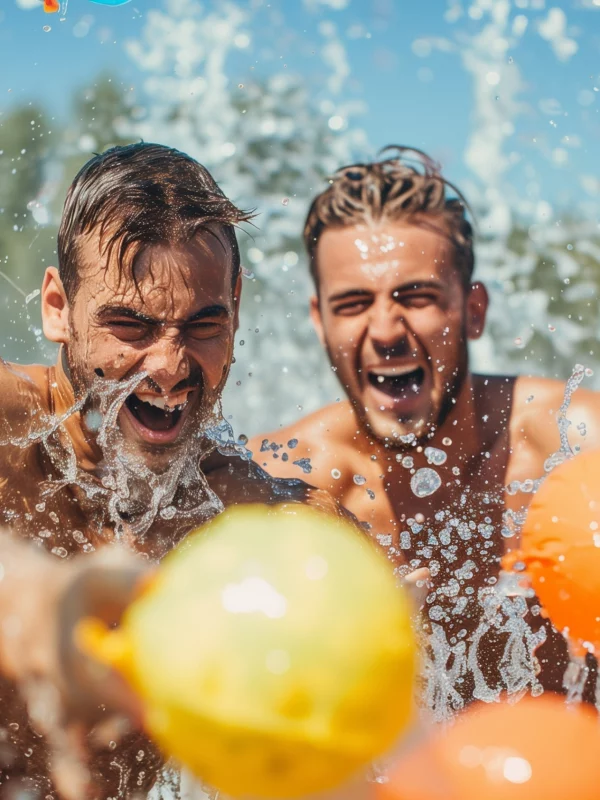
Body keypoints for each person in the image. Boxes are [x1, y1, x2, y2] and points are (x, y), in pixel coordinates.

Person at [0, 143, 343, 799]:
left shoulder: (256, 519)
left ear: (235, 310)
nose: (168, 366)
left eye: (203, 324)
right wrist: (26, 595)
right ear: (56, 308)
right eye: (129, 324)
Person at [251, 147, 600, 711]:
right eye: (353, 303)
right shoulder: (280, 480)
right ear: (320, 321)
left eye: (417, 297)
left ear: (473, 309)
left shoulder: (575, 447)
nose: (386, 329)